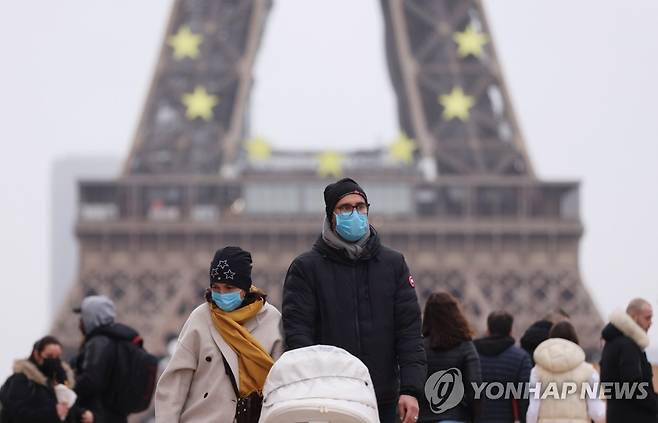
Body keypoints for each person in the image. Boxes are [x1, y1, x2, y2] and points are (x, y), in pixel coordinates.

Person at [282, 178, 426, 423]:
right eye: (345, 208)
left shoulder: (393, 264)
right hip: (329, 402)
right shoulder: (306, 268)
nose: (355, 213)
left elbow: (409, 333)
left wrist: (411, 390)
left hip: (385, 400)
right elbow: (298, 336)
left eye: (360, 206)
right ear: (331, 215)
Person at [155, 246, 283, 422]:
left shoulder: (272, 321)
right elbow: (175, 384)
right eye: (216, 287)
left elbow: (281, 385)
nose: (222, 294)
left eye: (229, 287)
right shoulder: (200, 319)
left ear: (244, 287)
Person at [72, 295, 141, 423]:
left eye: (83, 316)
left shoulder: (98, 342)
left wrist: (68, 386)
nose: (80, 321)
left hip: (97, 415)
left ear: (92, 316)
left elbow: (92, 379)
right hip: (114, 415)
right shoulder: (117, 340)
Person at [418, 292, 481, 423]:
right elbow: (474, 386)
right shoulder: (465, 346)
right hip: (454, 416)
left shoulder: (418, 347)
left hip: (423, 417)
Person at [0, 335, 93, 423]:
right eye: (49, 356)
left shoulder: (56, 380)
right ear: (37, 354)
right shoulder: (20, 380)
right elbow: (17, 414)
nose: (54, 361)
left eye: (57, 357)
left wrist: (80, 414)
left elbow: (64, 407)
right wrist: (52, 413)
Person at [526, 321, 605, 423]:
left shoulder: (537, 371)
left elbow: (533, 409)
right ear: (575, 341)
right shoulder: (589, 372)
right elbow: (596, 412)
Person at [600, 298, 658, 422]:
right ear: (633, 317)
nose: (651, 323)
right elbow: (634, 386)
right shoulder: (628, 346)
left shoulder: (611, 343)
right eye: (647, 318)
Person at [474, 311, 531, 423]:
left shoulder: (472, 354)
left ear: (488, 330)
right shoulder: (521, 358)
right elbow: (525, 397)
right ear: (510, 331)